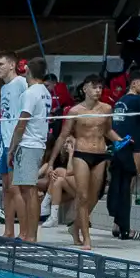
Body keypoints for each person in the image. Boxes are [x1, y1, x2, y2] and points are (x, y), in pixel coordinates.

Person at [0, 53, 51, 242]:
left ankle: (31, 236)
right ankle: (28, 234)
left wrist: (12, 148)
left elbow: (21, 123)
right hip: (34, 143)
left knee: (28, 191)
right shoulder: (44, 91)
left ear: (27, 70)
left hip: (29, 144)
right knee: (24, 190)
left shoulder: (30, 92)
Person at [56, 76, 113, 249]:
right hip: (81, 153)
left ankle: (75, 227)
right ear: (85, 89)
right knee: (83, 196)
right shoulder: (75, 111)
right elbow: (63, 134)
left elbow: (108, 131)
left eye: (100, 88)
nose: (98, 91)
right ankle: (86, 238)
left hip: (100, 154)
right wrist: (52, 160)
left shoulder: (107, 108)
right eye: (94, 87)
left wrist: (121, 141)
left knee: (94, 197)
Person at [106, 71, 140, 241]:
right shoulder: (139, 100)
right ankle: (124, 227)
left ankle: (117, 224)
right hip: (134, 149)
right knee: (128, 188)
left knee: (121, 187)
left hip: (120, 149)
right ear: (134, 83)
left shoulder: (120, 101)